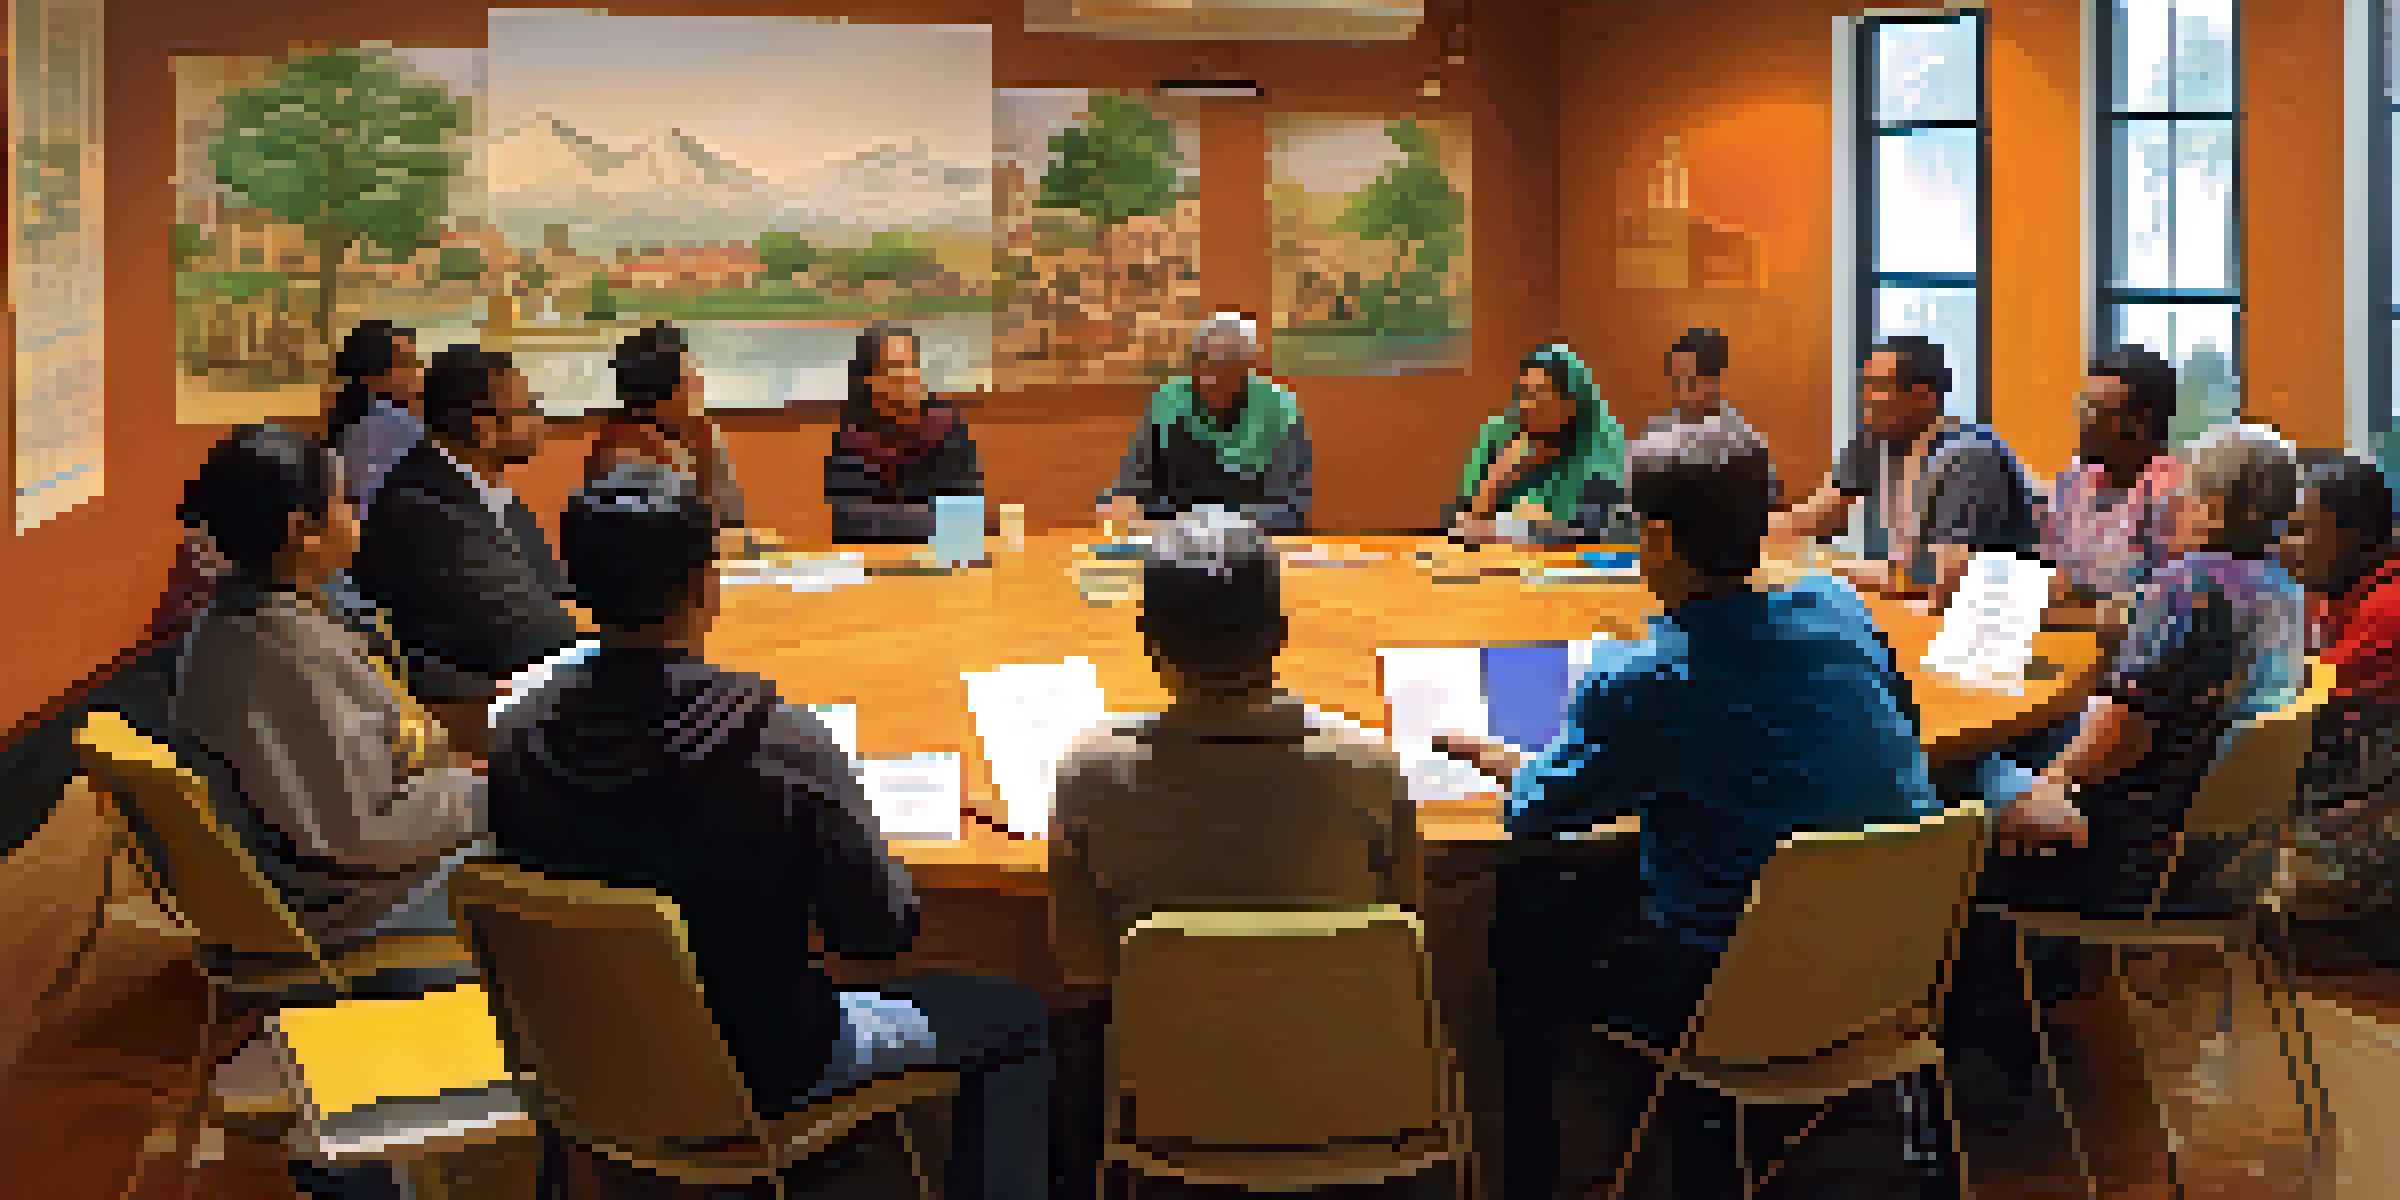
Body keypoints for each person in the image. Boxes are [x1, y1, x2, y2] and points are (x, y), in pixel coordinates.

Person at [489, 464, 1051, 1200]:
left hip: (587, 1058)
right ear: (704, 585)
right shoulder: (770, 736)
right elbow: (876, 932)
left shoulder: (518, 733)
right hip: (763, 1066)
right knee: (1015, 1020)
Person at [1437, 414, 1944, 1200]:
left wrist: (1501, 759)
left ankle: (1532, 1171)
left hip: (1735, 986)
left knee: (1526, 915)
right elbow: (1901, 722)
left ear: (1663, 541)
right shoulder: (1840, 610)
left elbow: (1541, 811)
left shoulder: (1646, 681)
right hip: (1892, 970)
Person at [1946, 423, 2309, 1140]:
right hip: (2216, 857)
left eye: (2190, 494)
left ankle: (1983, 1050)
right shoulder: (2282, 590)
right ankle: (2031, 1005)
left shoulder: (2186, 588)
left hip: (2129, 855)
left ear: (2216, 506)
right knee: (2019, 754)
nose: (2175, 505)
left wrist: (2042, 785)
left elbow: (2122, 736)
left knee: (1961, 782)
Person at [1049, 507, 1423, 1188]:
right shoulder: (1370, 767)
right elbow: (1407, 929)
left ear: (1146, 640)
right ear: (1281, 635)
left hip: (1169, 1098)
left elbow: (1082, 971)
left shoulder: (1090, 772)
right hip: (1351, 1087)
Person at [171, 426, 485, 956]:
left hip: (339, 874)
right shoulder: (285, 653)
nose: (357, 515)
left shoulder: (243, 620)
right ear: (303, 529)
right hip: (365, 906)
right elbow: (364, 834)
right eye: (346, 500)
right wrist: (487, 794)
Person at [352, 345, 578, 760]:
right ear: (483, 429)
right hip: (472, 718)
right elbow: (535, 638)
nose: (541, 420)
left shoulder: (475, 488)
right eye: (529, 407)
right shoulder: (425, 510)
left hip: (514, 695)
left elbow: (556, 588)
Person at [1770, 336, 2039, 611]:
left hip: (1987, 619)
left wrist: (1830, 567)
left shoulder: (1969, 457)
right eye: (1866, 386)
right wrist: (1743, 538)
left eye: (1880, 387)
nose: (1867, 398)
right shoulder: (1874, 442)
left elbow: (1943, 580)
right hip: (1908, 604)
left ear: (1924, 397)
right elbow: (1820, 514)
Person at [2261, 450, 2400, 965]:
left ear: (2357, 536)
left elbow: (2296, 707)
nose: (2283, 545)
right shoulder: (2335, 594)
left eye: (2300, 530)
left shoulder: (2387, 611)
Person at [1096, 314, 1313, 534]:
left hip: (1252, 547)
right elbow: (1130, 490)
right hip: (1174, 546)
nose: (1209, 376)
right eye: (1202, 361)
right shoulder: (1169, 403)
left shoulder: (1280, 412)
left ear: (1247, 368)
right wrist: (1118, 507)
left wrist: (1204, 526)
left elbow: (1288, 511)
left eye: (1224, 364)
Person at [2039, 345, 2187, 631]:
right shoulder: (2071, 484)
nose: (2081, 420)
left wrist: (2062, 615)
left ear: (2139, 422)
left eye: (2095, 409)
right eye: (2081, 407)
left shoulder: (2176, 495)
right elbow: (2052, 583)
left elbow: (2166, 611)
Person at [1442, 342, 1627, 545]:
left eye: (1540, 395)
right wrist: (1496, 478)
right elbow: (1458, 524)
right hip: (1494, 568)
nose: (1526, 405)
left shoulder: (1599, 446)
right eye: (1524, 393)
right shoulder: (1499, 434)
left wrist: (1501, 530)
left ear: (1571, 404)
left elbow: (1591, 531)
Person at [824, 322, 985, 542]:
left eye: (913, 365)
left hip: (943, 567)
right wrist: (931, 519)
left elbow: (964, 521)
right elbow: (848, 524)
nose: (910, 376)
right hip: (874, 567)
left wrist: (888, 517)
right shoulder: (851, 439)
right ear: (870, 381)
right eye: (896, 367)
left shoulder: (947, 430)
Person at [592, 321, 747, 529]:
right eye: (691, 376)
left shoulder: (692, 434)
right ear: (670, 392)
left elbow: (729, 525)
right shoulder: (633, 448)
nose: (699, 384)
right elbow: (713, 531)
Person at [323, 320, 426, 519]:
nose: (418, 374)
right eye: (407, 365)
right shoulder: (394, 423)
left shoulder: (348, 420)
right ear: (372, 375)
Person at [1655, 326, 1736, 429]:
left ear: (1713, 381)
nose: (1681, 392)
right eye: (1676, 381)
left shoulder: (1738, 436)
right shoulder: (1660, 430)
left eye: (1691, 381)